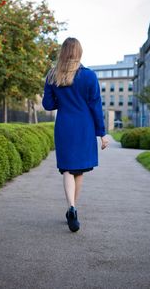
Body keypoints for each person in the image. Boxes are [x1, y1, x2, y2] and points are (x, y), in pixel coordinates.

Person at [42, 37, 108, 232]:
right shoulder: (89, 76)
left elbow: (48, 105)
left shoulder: (53, 75)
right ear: (79, 52)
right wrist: (102, 134)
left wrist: (56, 94)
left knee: (68, 169)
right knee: (79, 169)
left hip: (64, 126)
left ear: (63, 52)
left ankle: (72, 207)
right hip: (84, 128)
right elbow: (96, 106)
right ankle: (72, 208)